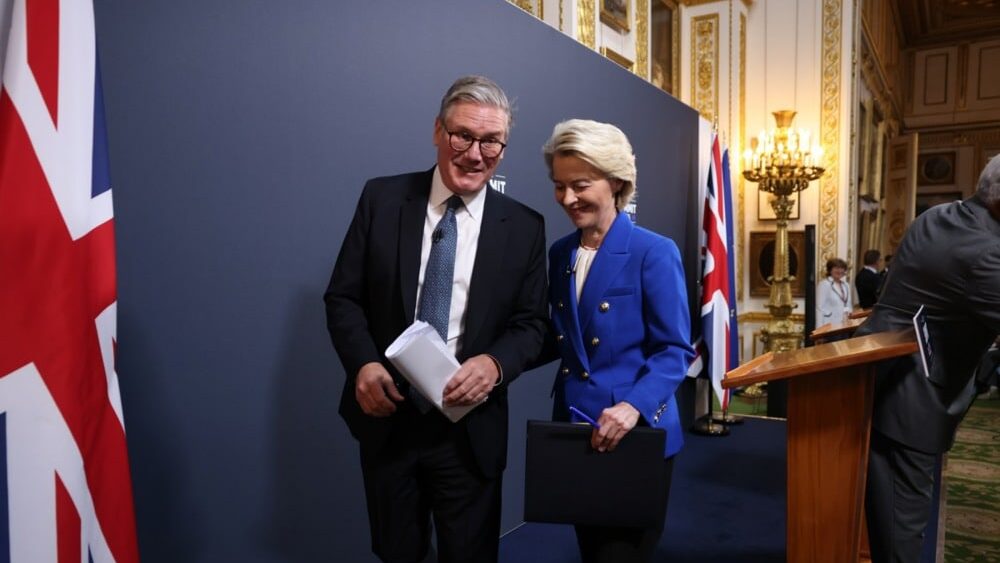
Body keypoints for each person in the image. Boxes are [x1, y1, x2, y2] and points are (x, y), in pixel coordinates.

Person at [324, 75, 548, 563]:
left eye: (491, 141)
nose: (475, 154)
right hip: (389, 420)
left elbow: (532, 324)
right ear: (437, 131)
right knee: (396, 553)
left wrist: (495, 364)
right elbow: (343, 298)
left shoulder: (525, 226)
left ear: (503, 147)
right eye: (462, 136)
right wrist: (364, 364)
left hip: (471, 431)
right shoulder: (382, 199)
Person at [542, 119, 694, 563]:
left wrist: (632, 407)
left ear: (617, 181)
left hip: (635, 433)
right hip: (575, 430)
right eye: (559, 186)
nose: (567, 198)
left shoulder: (654, 251)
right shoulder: (560, 253)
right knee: (591, 551)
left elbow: (674, 351)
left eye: (580, 185)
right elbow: (563, 337)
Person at [855, 154, 1000, 563]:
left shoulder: (937, 215)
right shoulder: (986, 252)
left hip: (886, 375)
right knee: (901, 526)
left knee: (889, 517)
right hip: (913, 397)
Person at [816, 257, 853, 324]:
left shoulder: (846, 285)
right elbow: (820, 308)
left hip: (845, 322)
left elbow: (848, 304)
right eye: (836, 268)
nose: (839, 271)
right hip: (830, 324)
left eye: (842, 268)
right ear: (830, 270)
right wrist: (819, 328)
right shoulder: (824, 284)